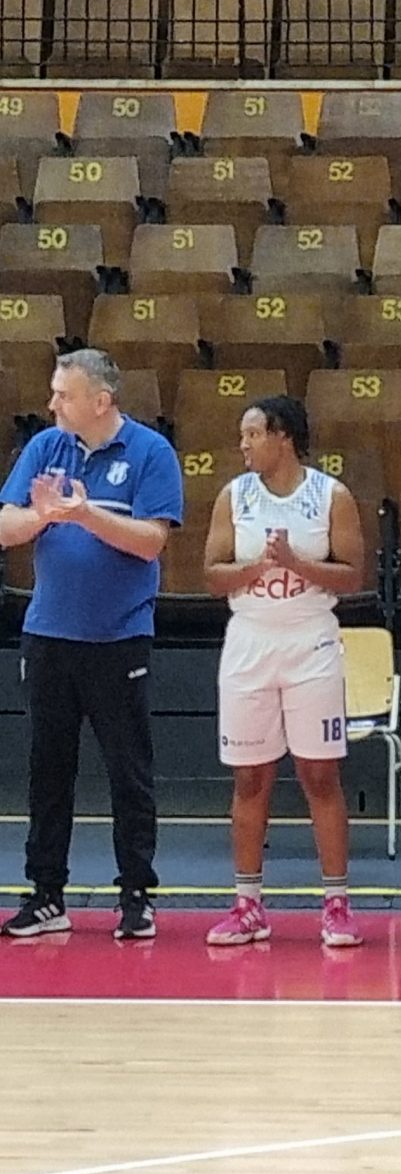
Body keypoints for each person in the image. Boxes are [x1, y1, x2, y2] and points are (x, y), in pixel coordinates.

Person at [0, 350, 184, 940]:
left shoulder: (150, 452)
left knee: (128, 772)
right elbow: (5, 525)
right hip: (48, 634)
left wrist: (84, 516)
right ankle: (46, 895)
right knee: (47, 771)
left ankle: (136, 895)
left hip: (118, 637)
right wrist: (42, 517)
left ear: (101, 401)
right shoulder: (45, 447)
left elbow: (151, 541)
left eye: (64, 394)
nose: (52, 403)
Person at [202, 396, 370, 949]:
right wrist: (256, 567)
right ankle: (248, 905)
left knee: (320, 775)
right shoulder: (234, 496)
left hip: (310, 639)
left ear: (283, 437)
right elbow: (212, 575)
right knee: (250, 778)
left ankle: (337, 904)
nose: (243, 445)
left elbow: (353, 576)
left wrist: (297, 564)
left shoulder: (330, 496)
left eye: (252, 434)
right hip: (250, 640)